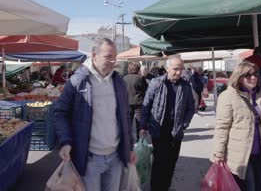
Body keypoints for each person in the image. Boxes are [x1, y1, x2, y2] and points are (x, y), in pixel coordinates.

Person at [54, 38, 135, 191]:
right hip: (89, 158)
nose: (113, 61)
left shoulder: (118, 81)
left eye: (115, 56)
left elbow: (125, 115)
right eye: (108, 56)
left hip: (116, 156)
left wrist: (129, 146)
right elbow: (60, 113)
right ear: (94, 55)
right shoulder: (78, 81)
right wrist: (66, 141)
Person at [212, 61, 261, 191]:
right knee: (249, 187)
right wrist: (218, 153)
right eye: (248, 75)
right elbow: (222, 127)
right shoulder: (228, 96)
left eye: (255, 74)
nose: (253, 78)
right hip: (240, 156)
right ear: (239, 78)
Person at [140, 55, 196, 191]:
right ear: (167, 68)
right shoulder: (156, 83)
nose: (178, 72)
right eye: (175, 69)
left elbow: (191, 107)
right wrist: (143, 126)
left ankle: (166, 186)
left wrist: (184, 124)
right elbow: (146, 105)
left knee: (171, 162)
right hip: (159, 130)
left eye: (181, 69)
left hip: (176, 131)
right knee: (160, 162)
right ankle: (156, 187)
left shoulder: (185, 86)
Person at [124, 63, 149, 140]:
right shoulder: (140, 78)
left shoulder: (124, 78)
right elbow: (145, 88)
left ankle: (128, 138)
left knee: (128, 122)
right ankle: (139, 138)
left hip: (127, 103)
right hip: (139, 103)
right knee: (139, 122)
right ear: (138, 70)